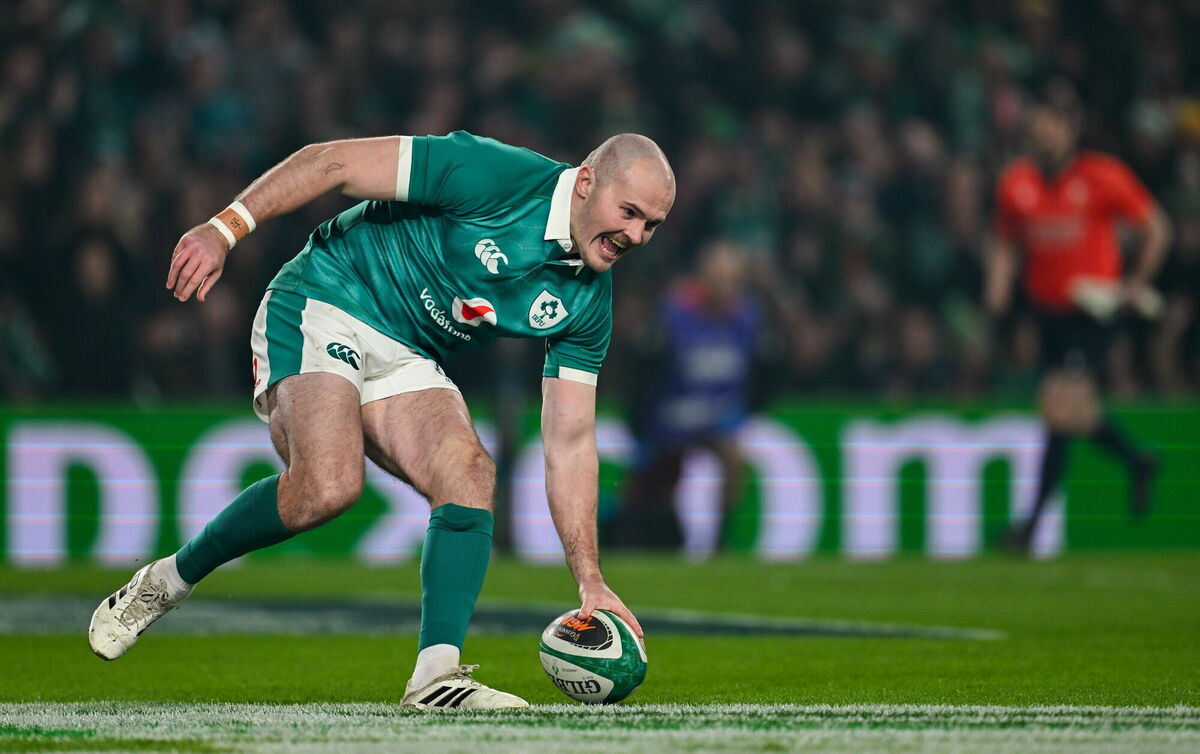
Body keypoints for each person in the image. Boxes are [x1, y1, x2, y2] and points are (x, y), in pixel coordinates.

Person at [88, 130, 675, 710]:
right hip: (327, 296)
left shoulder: (589, 303)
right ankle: (169, 579)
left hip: (407, 351)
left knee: (470, 475)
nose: (635, 236)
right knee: (327, 486)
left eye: (650, 225)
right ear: (588, 182)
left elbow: (569, 441)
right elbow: (332, 162)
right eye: (628, 213)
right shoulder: (492, 174)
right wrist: (224, 229)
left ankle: (435, 677)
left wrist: (589, 579)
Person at [985, 79, 1171, 552]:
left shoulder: (1101, 176)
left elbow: (1156, 228)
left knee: (1057, 402)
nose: (1044, 134)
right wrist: (999, 286)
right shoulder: (1017, 183)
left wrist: (1137, 281)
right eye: (1038, 126)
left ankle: (1028, 528)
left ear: (1070, 129)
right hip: (1046, 312)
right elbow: (1007, 241)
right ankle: (1136, 460)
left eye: (1053, 126)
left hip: (1092, 312)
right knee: (1064, 416)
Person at [610, 240, 763, 551]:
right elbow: (642, 371)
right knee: (648, 491)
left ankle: (721, 540)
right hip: (668, 418)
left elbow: (758, 374)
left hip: (714, 417)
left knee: (732, 457)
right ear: (703, 277)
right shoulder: (673, 314)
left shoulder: (748, 318)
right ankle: (624, 528)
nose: (726, 288)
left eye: (733, 280)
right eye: (719, 278)